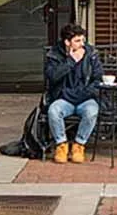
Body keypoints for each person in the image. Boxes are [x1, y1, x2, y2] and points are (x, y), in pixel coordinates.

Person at [44, 23, 103, 164]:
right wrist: (71, 61)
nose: (82, 44)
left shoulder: (91, 54)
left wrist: (84, 94)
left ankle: (79, 145)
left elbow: (98, 79)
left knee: (92, 111)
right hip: (64, 98)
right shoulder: (54, 54)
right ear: (67, 42)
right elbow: (52, 77)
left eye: (83, 40)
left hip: (85, 97)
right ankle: (61, 145)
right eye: (77, 41)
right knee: (54, 110)